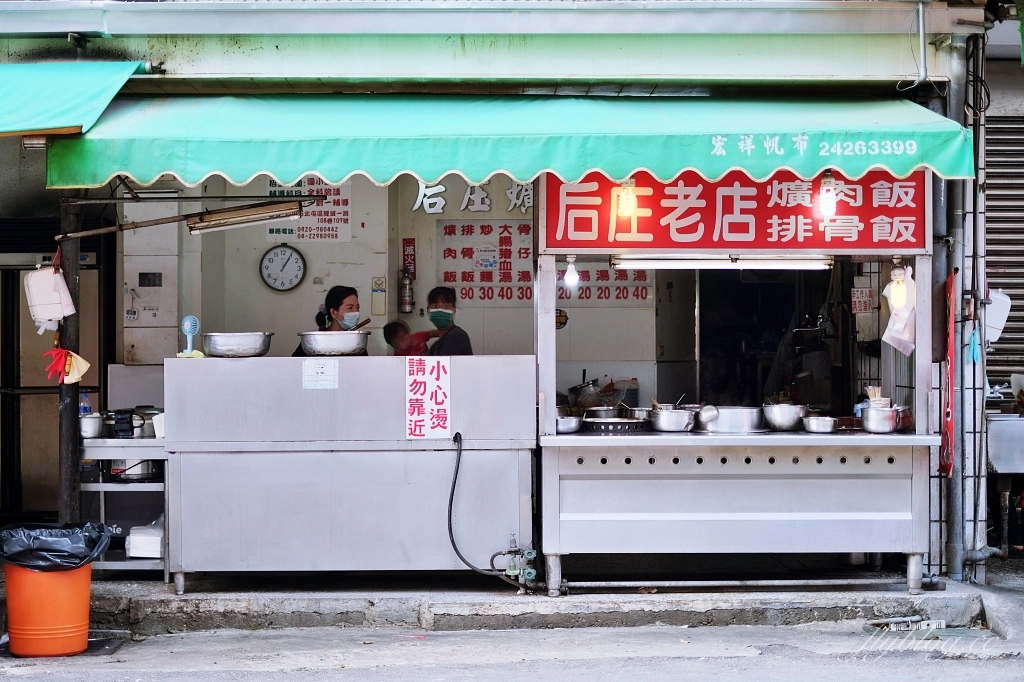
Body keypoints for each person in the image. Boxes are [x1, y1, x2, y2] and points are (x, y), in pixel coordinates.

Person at [292, 285, 366, 357]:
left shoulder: (356, 342)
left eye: (357, 307)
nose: (356, 312)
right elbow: (295, 365)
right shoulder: (312, 340)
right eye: (350, 308)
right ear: (334, 312)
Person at [425, 286, 473, 356]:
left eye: (446, 307)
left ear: (454, 310)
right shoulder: (436, 345)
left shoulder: (456, 336)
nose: (440, 310)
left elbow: (443, 365)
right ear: (428, 309)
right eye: (436, 306)